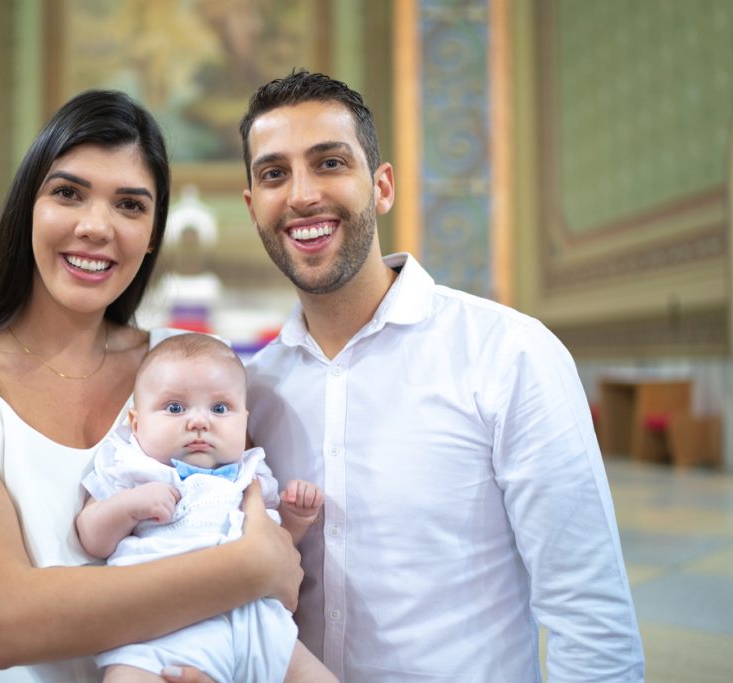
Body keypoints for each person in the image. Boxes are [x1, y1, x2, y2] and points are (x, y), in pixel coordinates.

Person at [0, 90, 303, 683]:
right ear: (28, 205)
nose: (95, 227)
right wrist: (249, 568)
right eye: (68, 193)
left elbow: (262, 534)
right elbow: (7, 625)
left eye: (130, 206)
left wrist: (53, 610)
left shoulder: (186, 368)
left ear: (154, 233)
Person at [239, 69, 646, 682]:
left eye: (329, 163)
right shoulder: (252, 394)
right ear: (253, 206)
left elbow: (587, 612)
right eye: (274, 173)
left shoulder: (509, 355)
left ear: (381, 186)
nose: (301, 195)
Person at [77, 332, 335, 682]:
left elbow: (275, 548)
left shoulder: (251, 474)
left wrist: (295, 518)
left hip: (256, 625)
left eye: (219, 408)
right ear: (136, 424)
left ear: (244, 421)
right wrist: (129, 507)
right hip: (159, 632)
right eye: (175, 407)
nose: (199, 421)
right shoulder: (130, 465)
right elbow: (91, 535)